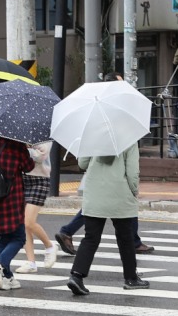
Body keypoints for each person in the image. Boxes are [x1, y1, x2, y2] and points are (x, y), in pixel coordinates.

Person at [55, 71, 154, 256]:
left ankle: (68, 232)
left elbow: (83, 162)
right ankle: (133, 245)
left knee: (94, 211)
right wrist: (134, 188)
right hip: (117, 182)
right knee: (123, 207)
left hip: (96, 181)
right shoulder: (121, 121)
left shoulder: (94, 120)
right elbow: (131, 168)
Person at [67, 144, 149, 295]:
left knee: (90, 238)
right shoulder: (128, 140)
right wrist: (134, 190)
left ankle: (77, 276)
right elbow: (132, 172)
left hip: (95, 193)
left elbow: (82, 164)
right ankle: (131, 278)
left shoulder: (93, 137)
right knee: (126, 238)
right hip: (120, 193)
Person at [0, 128, 35, 290]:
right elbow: (28, 166)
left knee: (4, 237)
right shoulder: (16, 143)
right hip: (11, 196)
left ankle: (8, 276)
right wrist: (27, 149)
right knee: (19, 237)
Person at [15, 142, 58, 274]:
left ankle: (50, 246)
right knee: (23, 223)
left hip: (40, 180)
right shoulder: (19, 133)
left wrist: (23, 150)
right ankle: (31, 262)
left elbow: (41, 155)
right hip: (22, 178)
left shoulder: (44, 133)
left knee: (29, 221)